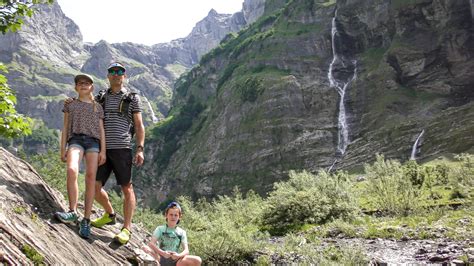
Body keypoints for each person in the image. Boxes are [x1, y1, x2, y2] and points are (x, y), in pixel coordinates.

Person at [88, 61, 145, 245]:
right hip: (102, 149)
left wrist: (140, 149)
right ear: (108, 76)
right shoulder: (101, 97)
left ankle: (126, 228)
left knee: (126, 187)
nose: (116, 74)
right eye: (112, 71)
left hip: (122, 148)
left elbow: (139, 125)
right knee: (95, 187)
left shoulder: (132, 98)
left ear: (124, 76)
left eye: (119, 71)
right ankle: (110, 214)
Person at [55, 73, 106, 239]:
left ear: (92, 87)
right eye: (80, 83)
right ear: (76, 87)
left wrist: (103, 151)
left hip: (93, 142)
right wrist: (62, 149)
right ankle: (72, 211)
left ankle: (86, 219)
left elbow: (101, 131)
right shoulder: (70, 104)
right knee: (71, 169)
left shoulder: (97, 107)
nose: (83, 85)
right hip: (75, 139)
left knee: (91, 177)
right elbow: (65, 127)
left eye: (87, 83)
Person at [143, 202, 202, 266]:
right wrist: (163, 253)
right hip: (160, 258)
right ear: (166, 215)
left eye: (176, 215)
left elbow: (186, 250)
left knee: (197, 260)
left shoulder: (182, 232)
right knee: (145, 248)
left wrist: (178, 255)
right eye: (171, 214)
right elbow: (151, 243)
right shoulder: (160, 229)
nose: (173, 217)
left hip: (176, 261)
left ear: (179, 217)